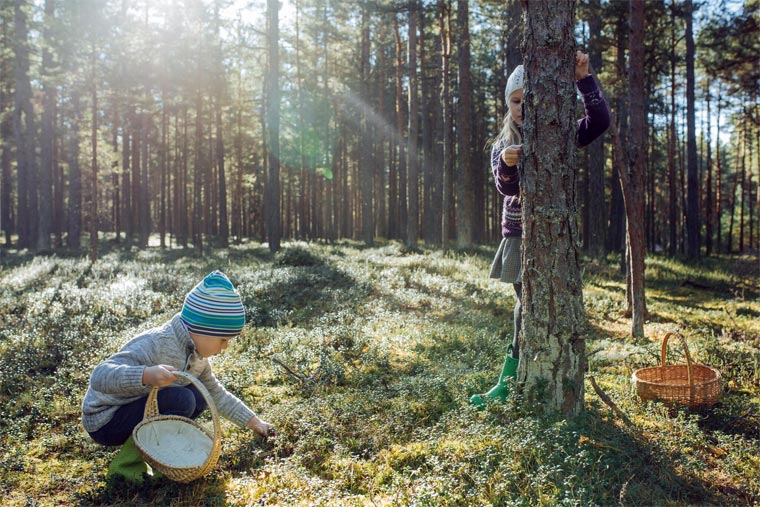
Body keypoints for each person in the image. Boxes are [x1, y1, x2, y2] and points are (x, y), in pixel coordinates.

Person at [470, 51, 610, 408]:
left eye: (527, 99)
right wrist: (506, 164)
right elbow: (507, 190)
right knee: (524, 304)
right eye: (515, 101)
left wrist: (584, 80)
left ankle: (542, 373)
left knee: (551, 302)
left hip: (556, 234)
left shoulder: (559, 133)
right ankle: (508, 378)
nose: (521, 106)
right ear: (508, 105)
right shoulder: (502, 147)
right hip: (519, 238)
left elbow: (599, 122)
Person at [82, 270, 275, 482]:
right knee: (182, 399)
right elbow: (99, 376)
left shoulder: (198, 357)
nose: (225, 347)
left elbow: (217, 395)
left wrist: (256, 423)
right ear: (203, 330)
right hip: (107, 420)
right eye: (223, 340)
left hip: (137, 411)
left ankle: (164, 453)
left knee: (200, 397)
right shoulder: (157, 343)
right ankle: (127, 468)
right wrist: (145, 375)